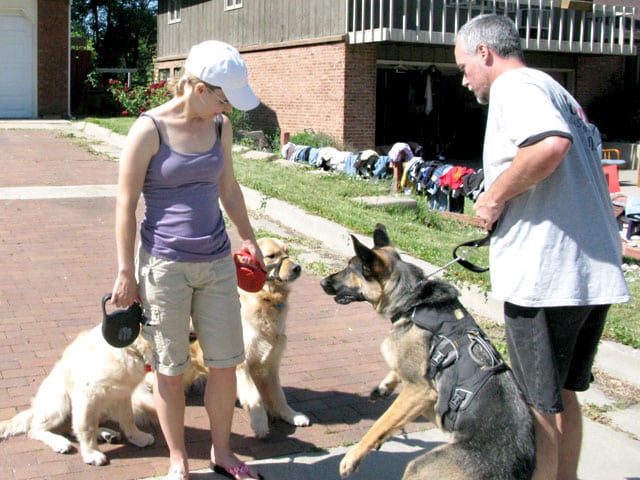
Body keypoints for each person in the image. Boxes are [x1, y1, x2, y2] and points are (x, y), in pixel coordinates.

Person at [454, 14, 630, 480]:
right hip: (589, 271)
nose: (464, 77)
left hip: (547, 275)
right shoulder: (559, 91)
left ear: (485, 53)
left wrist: (493, 197)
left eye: (464, 65)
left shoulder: (516, 89)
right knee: (562, 395)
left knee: (535, 404)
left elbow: (550, 147)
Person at [111, 40, 265, 480]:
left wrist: (249, 237)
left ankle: (222, 451)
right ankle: (177, 458)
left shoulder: (219, 127)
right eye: (223, 98)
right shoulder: (148, 130)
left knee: (223, 363)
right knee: (170, 367)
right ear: (198, 87)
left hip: (216, 262)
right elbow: (125, 205)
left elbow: (229, 188)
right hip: (164, 266)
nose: (229, 110)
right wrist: (126, 270)